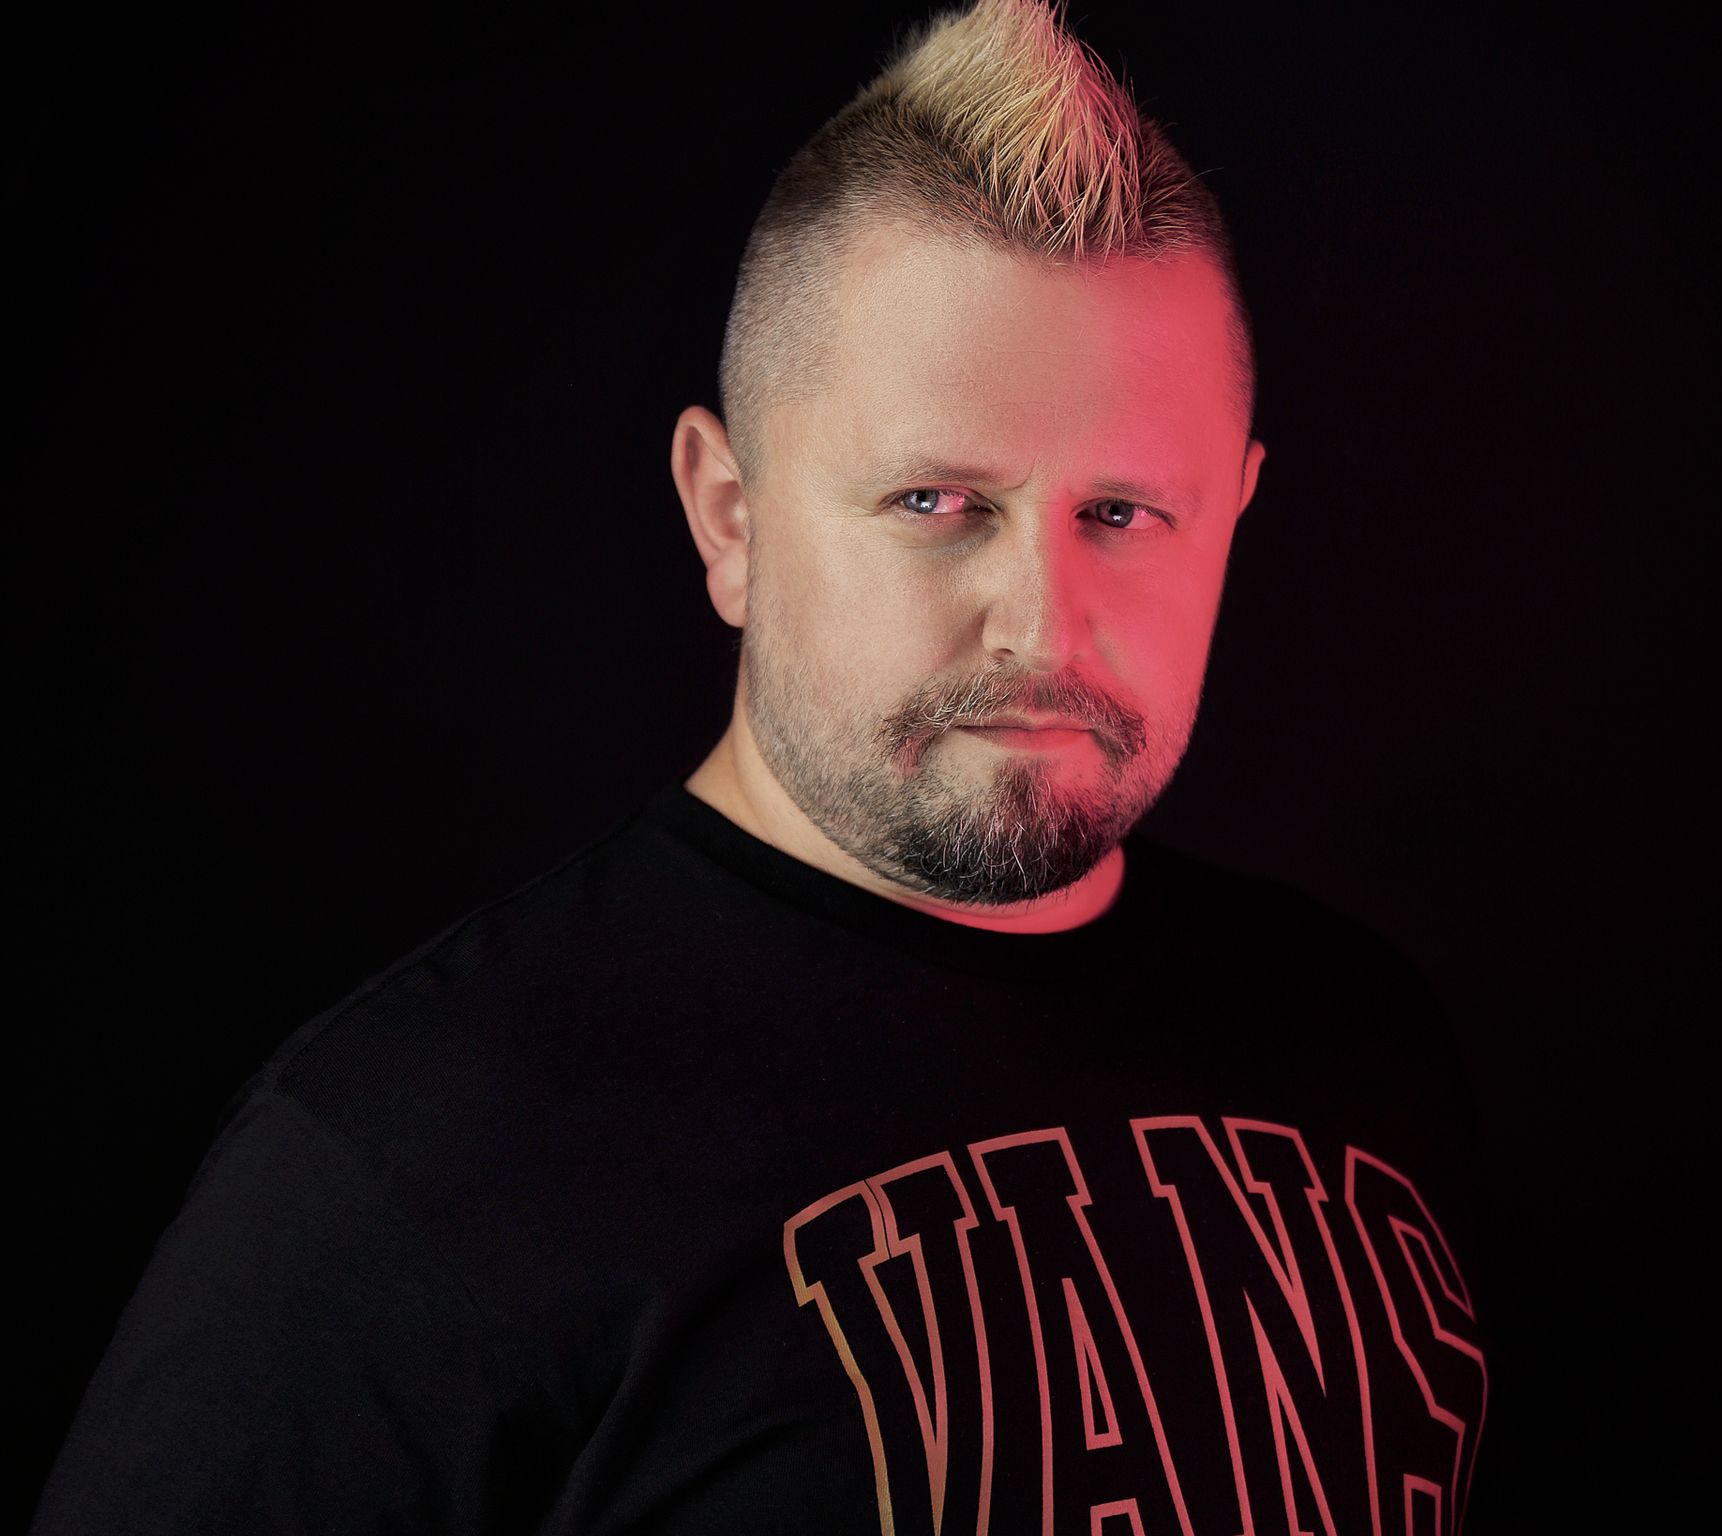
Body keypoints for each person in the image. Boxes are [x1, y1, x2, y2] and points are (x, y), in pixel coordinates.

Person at [31, 1, 1492, 1530]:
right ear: (728, 515)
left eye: (1122, 514)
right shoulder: (406, 1163)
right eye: (937, 502)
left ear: (1234, 513)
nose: (1043, 622)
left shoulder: (1362, 1046)